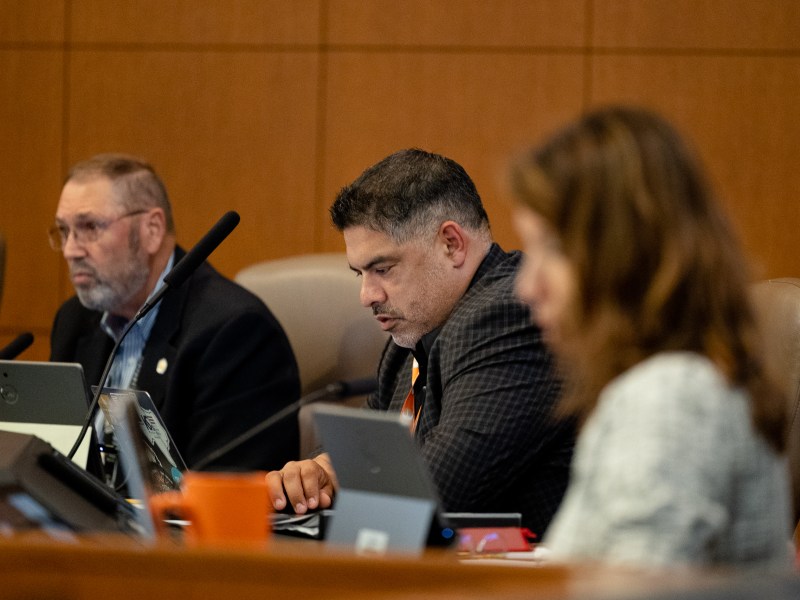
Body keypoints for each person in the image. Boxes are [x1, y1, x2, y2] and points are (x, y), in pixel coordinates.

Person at [510, 105, 793, 568]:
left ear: (630, 256)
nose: (527, 285)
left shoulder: (672, 397)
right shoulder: (672, 383)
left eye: (555, 249)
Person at [266, 148, 574, 536]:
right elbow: (360, 451)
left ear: (451, 244)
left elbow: (435, 493)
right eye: (359, 273)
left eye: (382, 269)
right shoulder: (409, 339)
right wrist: (321, 470)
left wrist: (346, 477)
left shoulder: (509, 314)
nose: (367, 295)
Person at [49, 153, 301, 474]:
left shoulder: (233, 332)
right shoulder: (75, 320)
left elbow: (227, 485)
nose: (71, 249)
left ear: (152, 229)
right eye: (63, 230)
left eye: (89, 227)